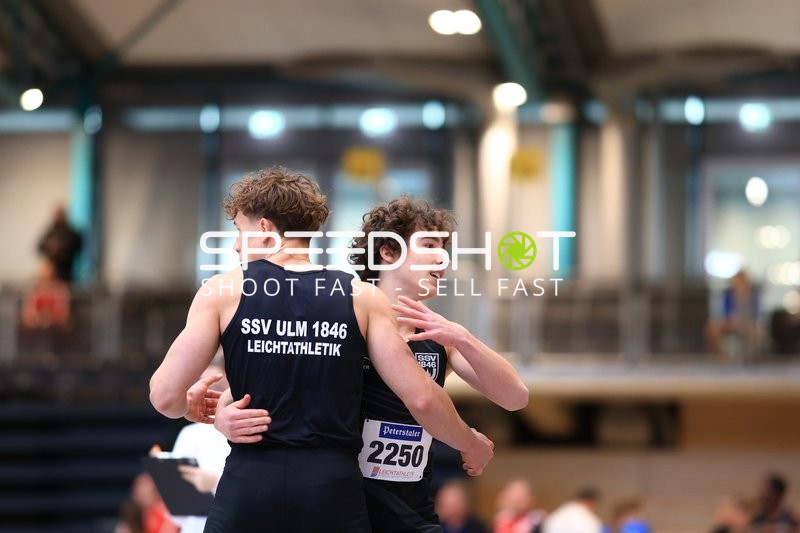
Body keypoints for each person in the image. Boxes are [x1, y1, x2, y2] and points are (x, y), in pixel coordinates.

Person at [149, 168, 493, 533]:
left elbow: (164, 396)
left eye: (239, 230)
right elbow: (422, 398)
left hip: (251, 482)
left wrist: (192, 407)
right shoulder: (361, 298)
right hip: (330, 488)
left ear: (265, 229)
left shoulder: (223, 291)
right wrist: (470, 442)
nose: (235, 245)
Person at [211, 196, 528, 532]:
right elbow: (256, 389)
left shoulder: (439, 338)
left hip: (411, 513)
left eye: (445, 247)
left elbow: (515, 397)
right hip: (340, 506)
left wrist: (462, 337)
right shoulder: (342, 316)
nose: (443, 258)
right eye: (430, 244)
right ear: (387, 252)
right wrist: (220, 416)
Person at [164, 353, 231, 533]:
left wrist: (215, 482)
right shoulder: (189, 435)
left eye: (218, 386)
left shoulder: (240, 430)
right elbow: (176, 514)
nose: (210, 394)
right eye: (205, 385)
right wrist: (166, 479)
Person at [37, 205, 83, 283]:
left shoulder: (71, 233)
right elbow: (39, 247)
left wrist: (62, 251)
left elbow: (78, 247)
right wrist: (50, 248)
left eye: (59, 214)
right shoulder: (50, 232)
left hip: (66, 272)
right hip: (52, 271)